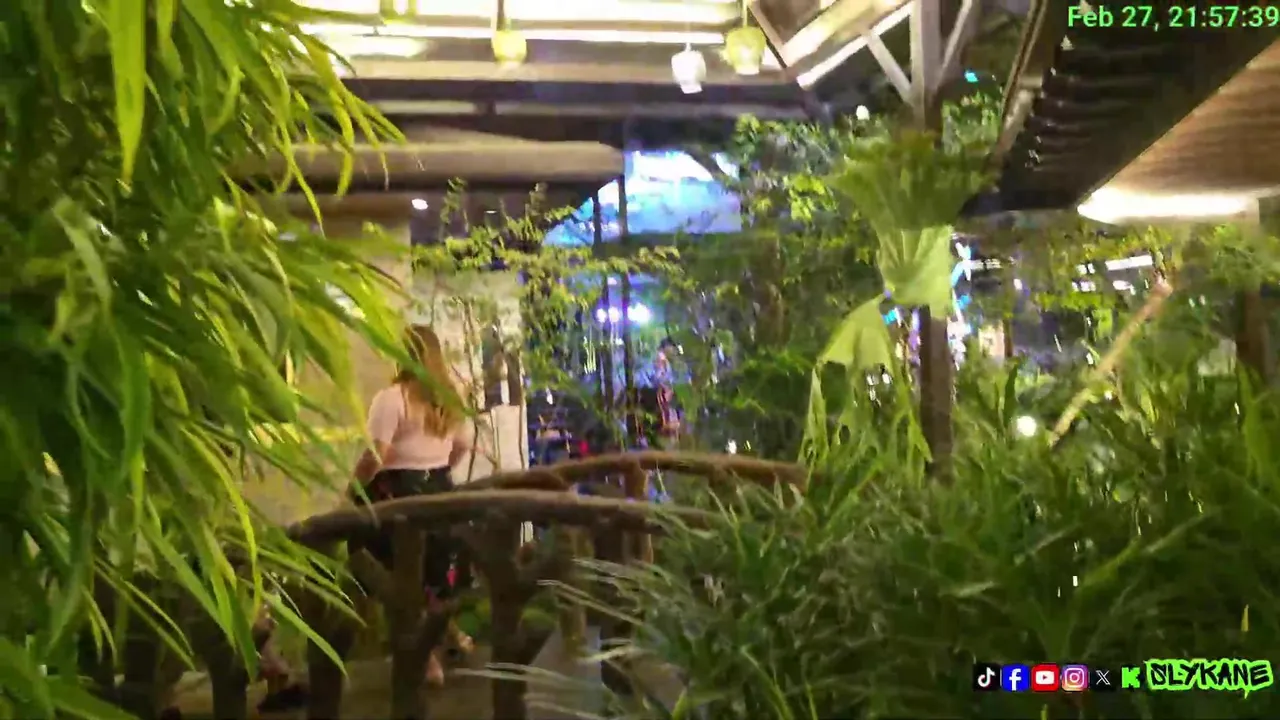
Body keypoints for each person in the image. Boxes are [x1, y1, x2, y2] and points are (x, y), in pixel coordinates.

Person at [348, 324, 478, 686]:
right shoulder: (448, 398)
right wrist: (436, 467)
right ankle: (449, 633)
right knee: (432, 570)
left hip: (398, 494)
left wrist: (352, 489)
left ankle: (426, 659)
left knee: (384, 566)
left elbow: (377, 454)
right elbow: (462, 447)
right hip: (440, 490)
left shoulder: (392, 398)